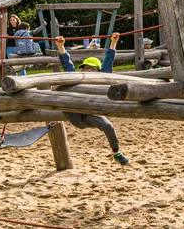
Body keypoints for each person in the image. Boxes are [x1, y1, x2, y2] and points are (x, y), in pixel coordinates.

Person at [54, 35, 131, 165]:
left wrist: (113, 43)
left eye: (89, 68)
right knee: (61, 91)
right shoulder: (77, 77)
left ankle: (116, 153)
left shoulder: (102, 77)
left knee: (108, 126)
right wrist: (61, 47)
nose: (86, 70)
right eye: (84, 68)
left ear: (97, 70)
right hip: (75, 113)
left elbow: (108, 61)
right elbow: (68, 65)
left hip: (91, 113)